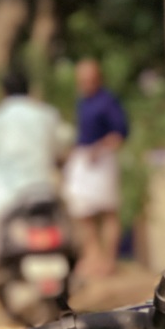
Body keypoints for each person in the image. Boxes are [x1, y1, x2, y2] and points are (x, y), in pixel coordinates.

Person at [64, 58, 129, 278]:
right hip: (83, 160)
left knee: (108, 211)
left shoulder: (107, 101)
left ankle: (108, 260)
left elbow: (120, 133)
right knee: (83, 211)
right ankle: (93, 256)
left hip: (102, 160)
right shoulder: (82, 102)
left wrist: (100, 148)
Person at [0, 71, 63, 257]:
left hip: (7, 194)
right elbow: (61, 147)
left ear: (3, 91)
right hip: (45, 189)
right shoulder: (47, 114)